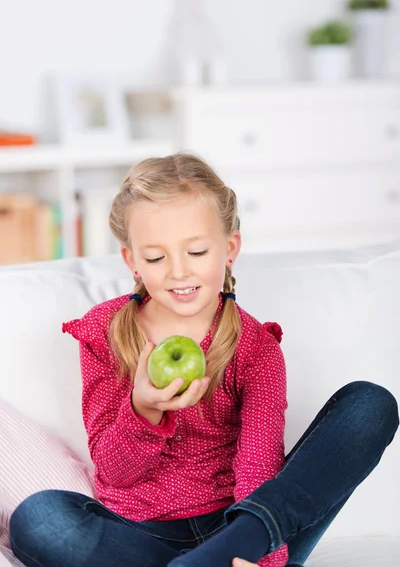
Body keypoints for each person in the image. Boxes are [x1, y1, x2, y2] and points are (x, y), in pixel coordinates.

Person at [9, 153, 399, 567]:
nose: (179, 272)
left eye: (196, 251)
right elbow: (116, 472)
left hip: (243, 531)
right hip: (139, 534)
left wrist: (257, 554)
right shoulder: (107, 332)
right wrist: (144, 409)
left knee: (369, 405)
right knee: (39, 519)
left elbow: (258, 465)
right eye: (157, 258)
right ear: (133, 261)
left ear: (229, 248)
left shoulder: (255, 347)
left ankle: (222, 554)